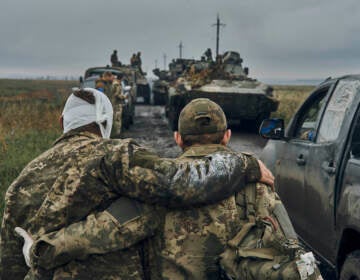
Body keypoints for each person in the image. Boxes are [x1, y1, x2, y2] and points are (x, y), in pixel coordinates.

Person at [23, 99, 322, 280]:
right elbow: (289, 249)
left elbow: (103, 230)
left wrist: (43, 248)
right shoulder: (258, 185)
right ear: (227, 136)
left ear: (178, 138)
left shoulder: (159, 191)